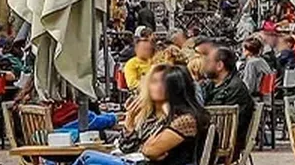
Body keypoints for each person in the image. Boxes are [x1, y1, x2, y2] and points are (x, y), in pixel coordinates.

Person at [73, 65, 207, 165]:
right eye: (153, 82)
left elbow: (150, 151)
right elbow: (126, 148)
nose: (157, 87)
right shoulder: (150, 117)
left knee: (87, 158)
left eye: (164, 83)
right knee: (88, 157)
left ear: (176, 87)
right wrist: (130, 120)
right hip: (135, 161)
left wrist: (144, 148)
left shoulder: (185, 119)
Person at [202, 47, 255, 143]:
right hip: (212, 136)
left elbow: (225, 121)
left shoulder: (234, 88)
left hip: (223, 140)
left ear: (219, 65)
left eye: (208, 62)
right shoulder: (211, 85)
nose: (204, 65)